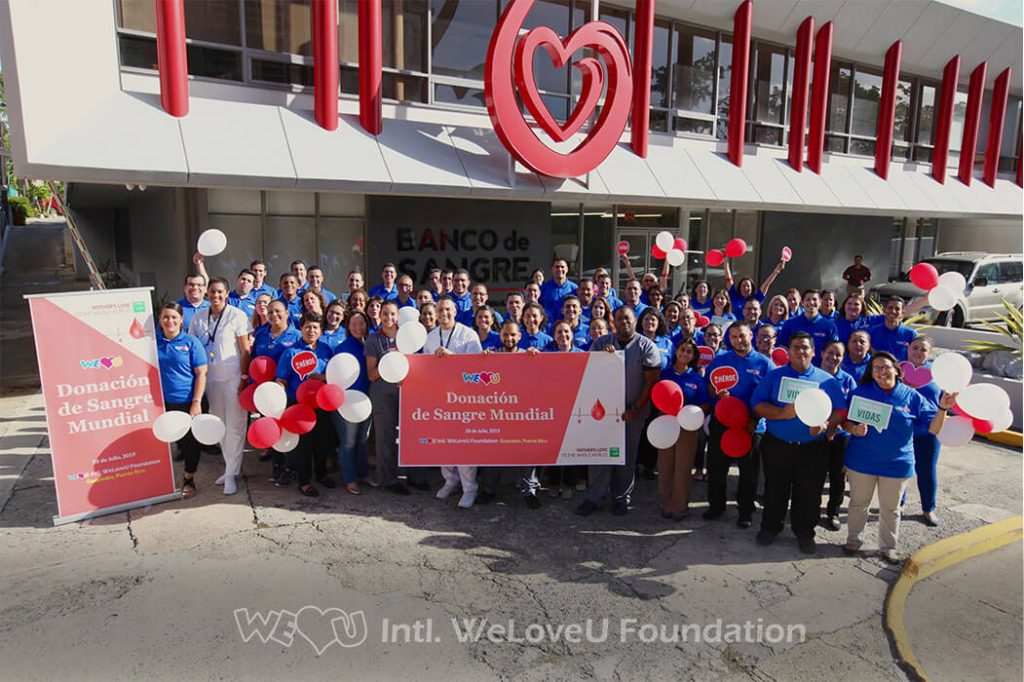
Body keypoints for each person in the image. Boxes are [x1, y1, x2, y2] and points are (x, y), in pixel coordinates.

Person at [841, 351, 956, 563]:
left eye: (886, 366)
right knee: (858, 503)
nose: (882, 371)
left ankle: (888, 547)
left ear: (896, 369)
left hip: (897, 463)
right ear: (871, 373)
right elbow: (846, 422)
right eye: (876, 368)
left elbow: (933, 428)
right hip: (862, 461)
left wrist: (943, 409)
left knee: (891, 509)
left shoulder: (912, 396)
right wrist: (854, 430)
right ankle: (854, 539)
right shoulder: (861, 392)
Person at [752, 332, 846, 554]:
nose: (800, 351)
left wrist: (825, 424)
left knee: (809, 492)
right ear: (789, 351)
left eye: (805, 347)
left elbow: (841, 410)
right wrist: (781, 413)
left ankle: (805, 533)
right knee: (775, 488)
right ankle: (770, 528)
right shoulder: (775, 377)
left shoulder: (827, 380)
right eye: (795, 346)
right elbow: (757, 404)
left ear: (813, 352)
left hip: (813, 447)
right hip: (778, 444)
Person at [578, 307, 661, 517]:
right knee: (599, 454)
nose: (624, 322)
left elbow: (651, 382)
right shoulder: (600, 343)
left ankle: (621, 498)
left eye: (628, 318)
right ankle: (594, 497)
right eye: (619, 319)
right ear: (613, 322)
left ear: (636, 321)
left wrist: (635, 409)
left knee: (626, 455)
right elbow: (589, 372)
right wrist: (603, 359)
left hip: (633, 413)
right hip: (603, 413)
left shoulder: (646, 346)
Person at [703, 321, 772, 527]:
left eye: (742, 335)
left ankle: (745, 510)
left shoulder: (764, 363)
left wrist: (755, 420)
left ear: (751, 335)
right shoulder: (720, 360)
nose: (738, 340)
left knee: (748, 471)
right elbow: (710, 386)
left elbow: (770, 396)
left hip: (752, 425)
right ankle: (716, 506)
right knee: (716, 467)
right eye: (733, 336)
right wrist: (717, 393)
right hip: (722, 423)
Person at [188, 277, 253, 495]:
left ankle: (231, 473)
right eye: (212, 292)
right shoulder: (198, 317)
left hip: (234, 378)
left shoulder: (237, 315)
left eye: (220, 292)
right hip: (211, 380)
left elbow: (245, 350)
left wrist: (244, 378)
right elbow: (193, 347)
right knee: (220, 426)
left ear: (227, 294)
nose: (216, 296)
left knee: (235, 426)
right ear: (207, 294)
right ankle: (229, 468)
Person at [424, 297, 483, 508]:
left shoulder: (468, 335)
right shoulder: (430, 338)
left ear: (455, 311)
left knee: (465, 446)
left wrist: (453, 358)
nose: (443, 313)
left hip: (465, 400)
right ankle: (450, 480)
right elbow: (426, 369)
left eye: (447, 309)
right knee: (444, 444)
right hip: (441, 400)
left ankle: (470, 488)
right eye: (439, 310)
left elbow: (476, 370)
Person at [275, 314, 336, 497]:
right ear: (301, 329)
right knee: (304, 446)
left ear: (321, 331)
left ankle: (321, 474)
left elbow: (333, 374)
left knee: (322, 442)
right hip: (299, 407)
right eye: (308, 327)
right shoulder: (291, 352)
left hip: (322, 404)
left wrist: (322, 378)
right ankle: (304, 481)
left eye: (315, 328)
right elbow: (281, 380)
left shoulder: (326, 350)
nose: (311, 331)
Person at [156, 302, 208, 499]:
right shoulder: (154, 343)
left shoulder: (191, 342)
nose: (170, 321)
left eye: (173, 317)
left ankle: (189, 478)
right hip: (161, 402)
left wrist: (196, 401)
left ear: (181, 320)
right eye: (166, 317)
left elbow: (201, 373)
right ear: (160, 320)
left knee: (190, 443)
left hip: (187, 401)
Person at [657, 338, 710, 520]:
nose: (685, 354)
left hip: (687, 427)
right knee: (665, 467)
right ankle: (666, 504)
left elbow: (705, 403)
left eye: (689, 351)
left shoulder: (696, 378)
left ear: (693, 356)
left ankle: (679, 507)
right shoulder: (664, 374)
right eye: (682, 350)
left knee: (683, 467)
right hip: (665, 424)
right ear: (676, 352)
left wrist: (690, 413)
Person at [251, 300, 303, 481]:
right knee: (272, 429)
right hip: (267, 395)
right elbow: (253, 361)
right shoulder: (260, 335)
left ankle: (291, 467)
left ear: (287, 313)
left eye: (278, 311)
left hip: (289, 392)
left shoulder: (297, 335)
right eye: (270, 312)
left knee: (289, 429)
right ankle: (277, 465)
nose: (274, 315)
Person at [366, 301, 411, 496]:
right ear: (380, 316)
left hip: (409, 392)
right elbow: (371, 375)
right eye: (385, 314)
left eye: (392, 314)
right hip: (383, 393)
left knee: (413, 435)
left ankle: (416, 477)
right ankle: (388, 479)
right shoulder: (374, 340)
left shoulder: (408, 337)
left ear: (398, 316)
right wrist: (390, 365)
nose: (388, 318)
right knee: (385, 437)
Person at [332, 311, 376, 496]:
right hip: (347, 403)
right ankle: (350, 479)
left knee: (362, 440)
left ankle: (363, 474)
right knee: (348, 442)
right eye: (354, 324)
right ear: (347, 327)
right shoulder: (343, 347)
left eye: (361, 323)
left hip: (366, 400)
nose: (358, 328)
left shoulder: (370, 344)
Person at [542, 320, 586, 501]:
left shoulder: (584, 355)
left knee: (571, 447)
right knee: (553, 447)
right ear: (554, 336)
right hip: (553, 408)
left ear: (572, 335)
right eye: (559, 332)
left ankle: (567, 483)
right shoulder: (546, 355)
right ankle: (553, 482)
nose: (563, 336)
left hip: (575, 407)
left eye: (566, 332)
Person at [905, 336, 944, 527]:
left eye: (923, 349)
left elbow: (945, 400)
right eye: (915, 347)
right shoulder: (898, 370)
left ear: (929, 354)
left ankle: (928, 509)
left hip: (929, 429)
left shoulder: (938, 374)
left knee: (926, 470)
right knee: (901, 470)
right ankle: (899, 503)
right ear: (908, 348)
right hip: (904, 428)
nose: (918, 352)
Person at [819, 339, 857, 530]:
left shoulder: (848, 380)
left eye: (838, 355)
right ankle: (809, 509)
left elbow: (852, 409)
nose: (833, 358)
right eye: (830, 353)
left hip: (840, 437)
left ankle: (833, 512)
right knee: (813, 475)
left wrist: (836, 426)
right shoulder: (812, 376)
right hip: (815, 435)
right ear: (822, 353)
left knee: (837, 476)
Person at [777, 289, 839, 364]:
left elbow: (834, 350)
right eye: (808, 300)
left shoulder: (829, 326)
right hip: (794, 370)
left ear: (820, 302)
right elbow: (782, 348)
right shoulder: (790, 324)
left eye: (814, 299)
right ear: (802, 302)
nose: (811, 302)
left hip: (819, 371)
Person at [867, 297, 918, 362]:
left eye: (897, 309)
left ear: (902, 313)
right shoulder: (872, 332)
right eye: (890, 308)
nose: (893, 311)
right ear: (884, 310)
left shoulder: (911, 334)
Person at [539, 258, 578, 322]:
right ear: (552, 270)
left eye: (562, 267)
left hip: (568, 326)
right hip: (548, 326)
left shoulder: (574, 288)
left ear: (567, 269)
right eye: (557, 267)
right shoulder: (544, 288)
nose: (560, 269)